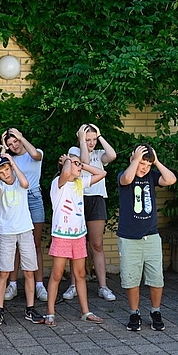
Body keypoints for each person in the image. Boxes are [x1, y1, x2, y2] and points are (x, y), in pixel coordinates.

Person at [44, 147, 107, 326]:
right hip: (62, 236)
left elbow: (102, 173)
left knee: (80, 274)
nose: (79, 167)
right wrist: (68, 161)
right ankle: (50, 312)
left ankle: (85, 311)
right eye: (75, 164)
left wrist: (82, 165)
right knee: (56, 274)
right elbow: (65, 173)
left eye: (79, 164)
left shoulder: (80, 183)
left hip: (78, 236)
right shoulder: (58, 183)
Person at [118, 143, 177, 332]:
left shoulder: (152, 176)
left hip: (151, 236)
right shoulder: (124, 174)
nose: (144, 168)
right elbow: (127, 179)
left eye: (147, 165)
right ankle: (134, 313)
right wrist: (135, 161)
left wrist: (157, 162)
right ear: (132, 160)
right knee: (131, 278)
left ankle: (155, 311)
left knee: (155, 278)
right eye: (141, 163)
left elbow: (170, 179)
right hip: (129, 238)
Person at [63, 124, 118, 302]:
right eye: (88, 139)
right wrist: (82, 141)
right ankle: (73, 285)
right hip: (78, 198)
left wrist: (99, 136)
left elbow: (113, 155)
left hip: (97, 198)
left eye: (93, 139)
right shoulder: (74, 150)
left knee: (97, 244)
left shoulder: (100, 153)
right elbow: (84, 162)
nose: (91, 143)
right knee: (76, 244)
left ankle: (103, 286)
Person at [0, 153, 45, 326]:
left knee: (29, 271)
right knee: (4, 272)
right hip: (7, 233)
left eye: (7, 169)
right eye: (1, 172)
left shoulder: (20, 183)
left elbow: (26, 183)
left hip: (25, 230)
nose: (5, 173)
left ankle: (30, 308)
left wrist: (11, 162)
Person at [1, 128, 48, 302]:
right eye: (10, 144)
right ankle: (12, 284)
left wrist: (21, 137)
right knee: (15, 244)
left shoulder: (33, 153)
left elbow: (36, 154)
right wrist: (3, 150)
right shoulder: (9, 158)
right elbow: (0, 168)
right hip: (16, 199)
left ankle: (39, 285)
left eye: (15, 141)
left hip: (34, 197)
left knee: (35, 244)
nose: (14, 145)